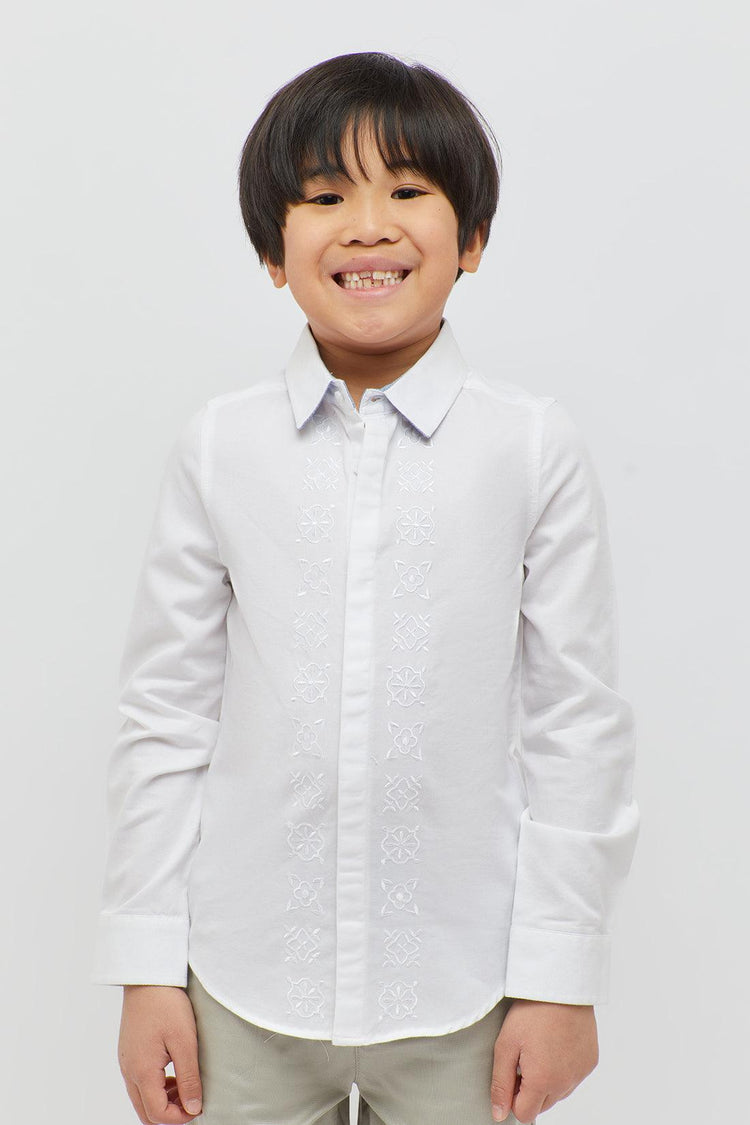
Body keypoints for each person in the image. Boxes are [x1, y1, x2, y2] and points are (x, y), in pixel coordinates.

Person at [91, 50, 640, 1125]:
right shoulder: (221, 447)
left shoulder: (531, 446)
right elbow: (165, 714)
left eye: (408, 190)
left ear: (472, 237)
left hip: (466, 991)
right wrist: (146, 967)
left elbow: (577, 724)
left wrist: (562, 978)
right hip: (240, 986)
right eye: (326, 197)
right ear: (272, 248)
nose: (369, 227)